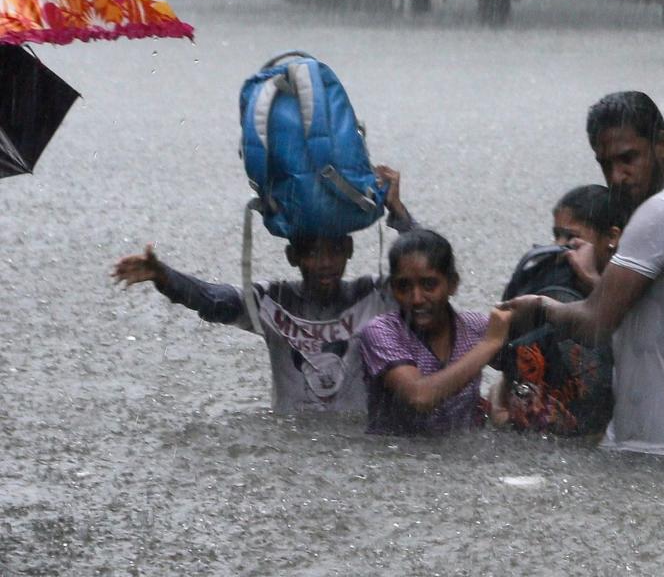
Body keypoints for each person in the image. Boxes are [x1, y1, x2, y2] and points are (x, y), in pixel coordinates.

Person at [503, 91, 664, 457]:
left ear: (661, 144)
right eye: (605, 163)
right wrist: (595, 283)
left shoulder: (661, 212)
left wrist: (538, 307)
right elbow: (659, 317)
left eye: (629, 158)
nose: (617, 176)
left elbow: (595, 323)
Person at [111, 165, 416, 414]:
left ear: (349, 249)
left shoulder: (373, 297)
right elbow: (215, 301)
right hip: (292, 441)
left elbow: (428, 277)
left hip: (357, 441)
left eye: (334, 251)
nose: (325, 263)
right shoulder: (273, 301)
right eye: (312, 253)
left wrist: (399, 213)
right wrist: (164, 276)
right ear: (292, 257)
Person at [492, 184, 622, 434]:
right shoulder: (545, 285)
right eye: (557, 236)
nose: (561, 247)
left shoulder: (637, 294)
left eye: (573, 238)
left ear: (612, 238)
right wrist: (498, 407)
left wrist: (595, 283)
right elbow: (511, 372)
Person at [359, 228, 512, 436]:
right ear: (392, 289)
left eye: (429, 285)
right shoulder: (381, 332)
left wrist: (499, 400)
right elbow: (420, 397)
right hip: (396, 456)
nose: (417, 298)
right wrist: (489, 345)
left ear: (452, 284)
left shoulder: (477, 327)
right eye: (404, 286)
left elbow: (524, 368)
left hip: (462, 454)